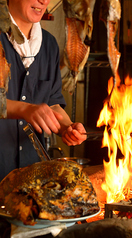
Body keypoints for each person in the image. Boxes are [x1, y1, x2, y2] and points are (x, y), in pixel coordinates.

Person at [0, 0, 87, 181]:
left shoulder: (48, 44)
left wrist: (66, 127)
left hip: (32, 176)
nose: (43, 1)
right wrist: (25, 109)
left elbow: (52, 102)